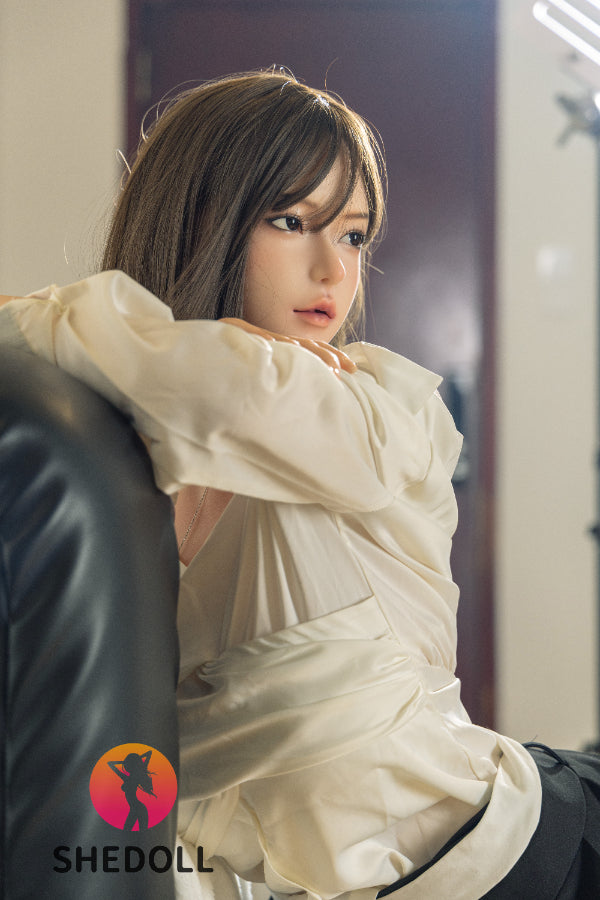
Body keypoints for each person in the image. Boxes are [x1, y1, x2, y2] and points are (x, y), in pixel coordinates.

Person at [0, 70, 598, 900]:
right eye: (290, 221)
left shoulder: (373, 406)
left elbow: (195, 375)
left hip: (518, 850)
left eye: (353, 236)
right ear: (199, 220)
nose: (332, 270)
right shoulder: (133, 452)